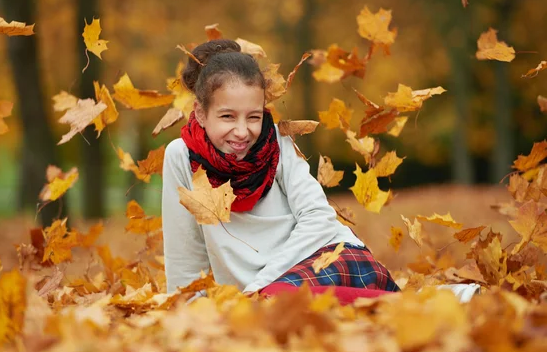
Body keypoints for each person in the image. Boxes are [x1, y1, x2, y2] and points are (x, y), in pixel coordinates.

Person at [162, 39, 400, 304]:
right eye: (227, 116)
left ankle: (418, 302)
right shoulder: (180, 156)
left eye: (253, 117)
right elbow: (184, 258)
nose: (242, 132)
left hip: (330, 258)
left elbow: (318, 218)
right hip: (264, 295)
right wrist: (186, 310)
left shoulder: (276, 142)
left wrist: (260, 288)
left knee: (277, 301)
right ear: (201, 113)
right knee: (272, 311)